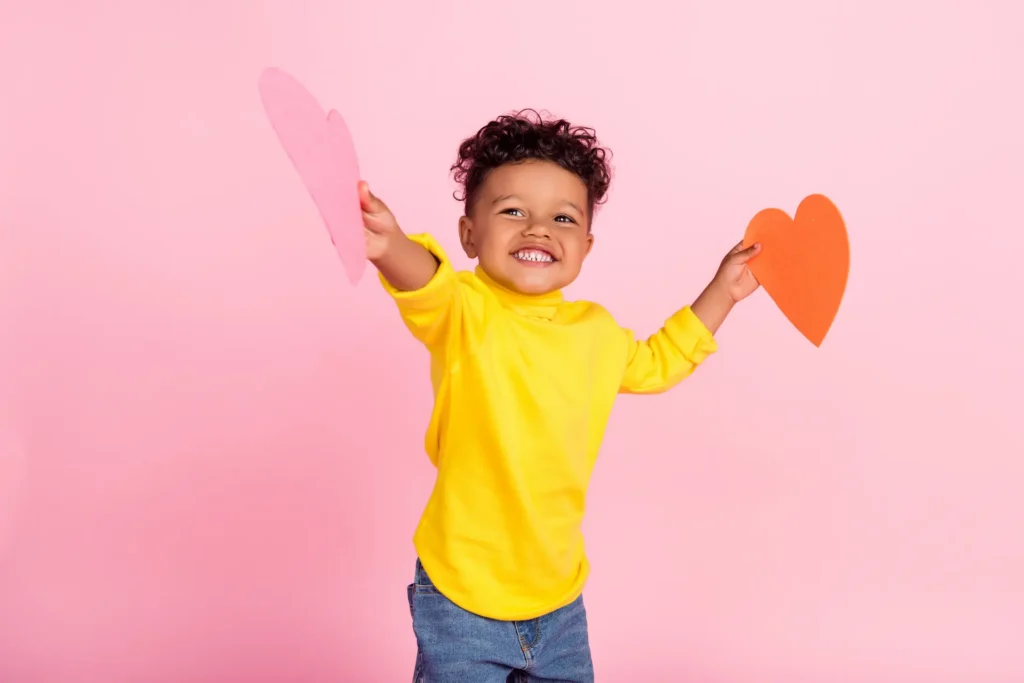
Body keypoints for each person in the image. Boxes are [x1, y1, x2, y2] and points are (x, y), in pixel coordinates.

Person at [360, 109, 761, 682]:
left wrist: (722, 291)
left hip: (559, 600)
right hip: (462, 594)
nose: (539, 229)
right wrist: (389, 243)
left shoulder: (595, 332)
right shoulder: (465, 311)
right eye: (513, 211)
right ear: (469, 234)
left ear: (587, 245)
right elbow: (424, 280)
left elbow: (657, 363)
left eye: (563, 218)